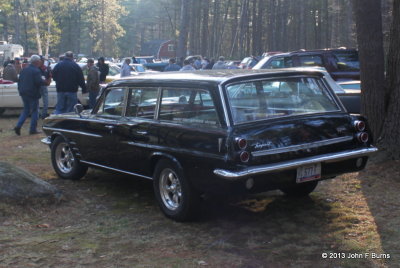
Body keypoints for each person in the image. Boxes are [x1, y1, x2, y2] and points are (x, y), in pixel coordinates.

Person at [14, 55, 48, 135]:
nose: (40, 62)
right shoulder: (36, 71)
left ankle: (18, 126)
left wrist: (20, 90)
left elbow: (19, 81)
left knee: (26, 110)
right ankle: (32, 129)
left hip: (23, 92)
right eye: (39, 60)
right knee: (35, 111)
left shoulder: (24, 70)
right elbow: (38, 82)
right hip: (32, 93)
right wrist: (45, 82)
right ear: (36, 62)